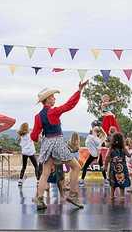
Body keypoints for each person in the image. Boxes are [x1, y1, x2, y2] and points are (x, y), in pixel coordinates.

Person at [31, 80, 88, 210]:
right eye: (52, 97)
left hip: (46, 144)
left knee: (45, 173)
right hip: (57, 142)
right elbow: (69, 105)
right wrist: (79, 91)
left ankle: (39, 199)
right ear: (47, 100)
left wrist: (38, 136)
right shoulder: (53, 111)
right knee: (76, 167)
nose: (54, 98)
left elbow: (34, 136)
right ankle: (73, 195)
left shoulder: (38, 116)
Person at [104, 133, 131, 200]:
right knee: (121, 180)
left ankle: (112, 196)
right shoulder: (123, 148)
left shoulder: (111, 148)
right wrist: (131, 152)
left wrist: (105, 166)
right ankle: (122, 196)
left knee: (113, 181)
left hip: (114, 168)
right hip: (122, 167)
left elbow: (107, 157)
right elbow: (128, 155)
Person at [17, 122, 39, 187]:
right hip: (31, 152)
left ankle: (20, 181)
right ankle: (38, 180)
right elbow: (35, 139)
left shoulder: (21, 135)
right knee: (36, 166)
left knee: (24, 167)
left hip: (24, 152)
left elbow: (19, 143)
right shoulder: (30, 134)